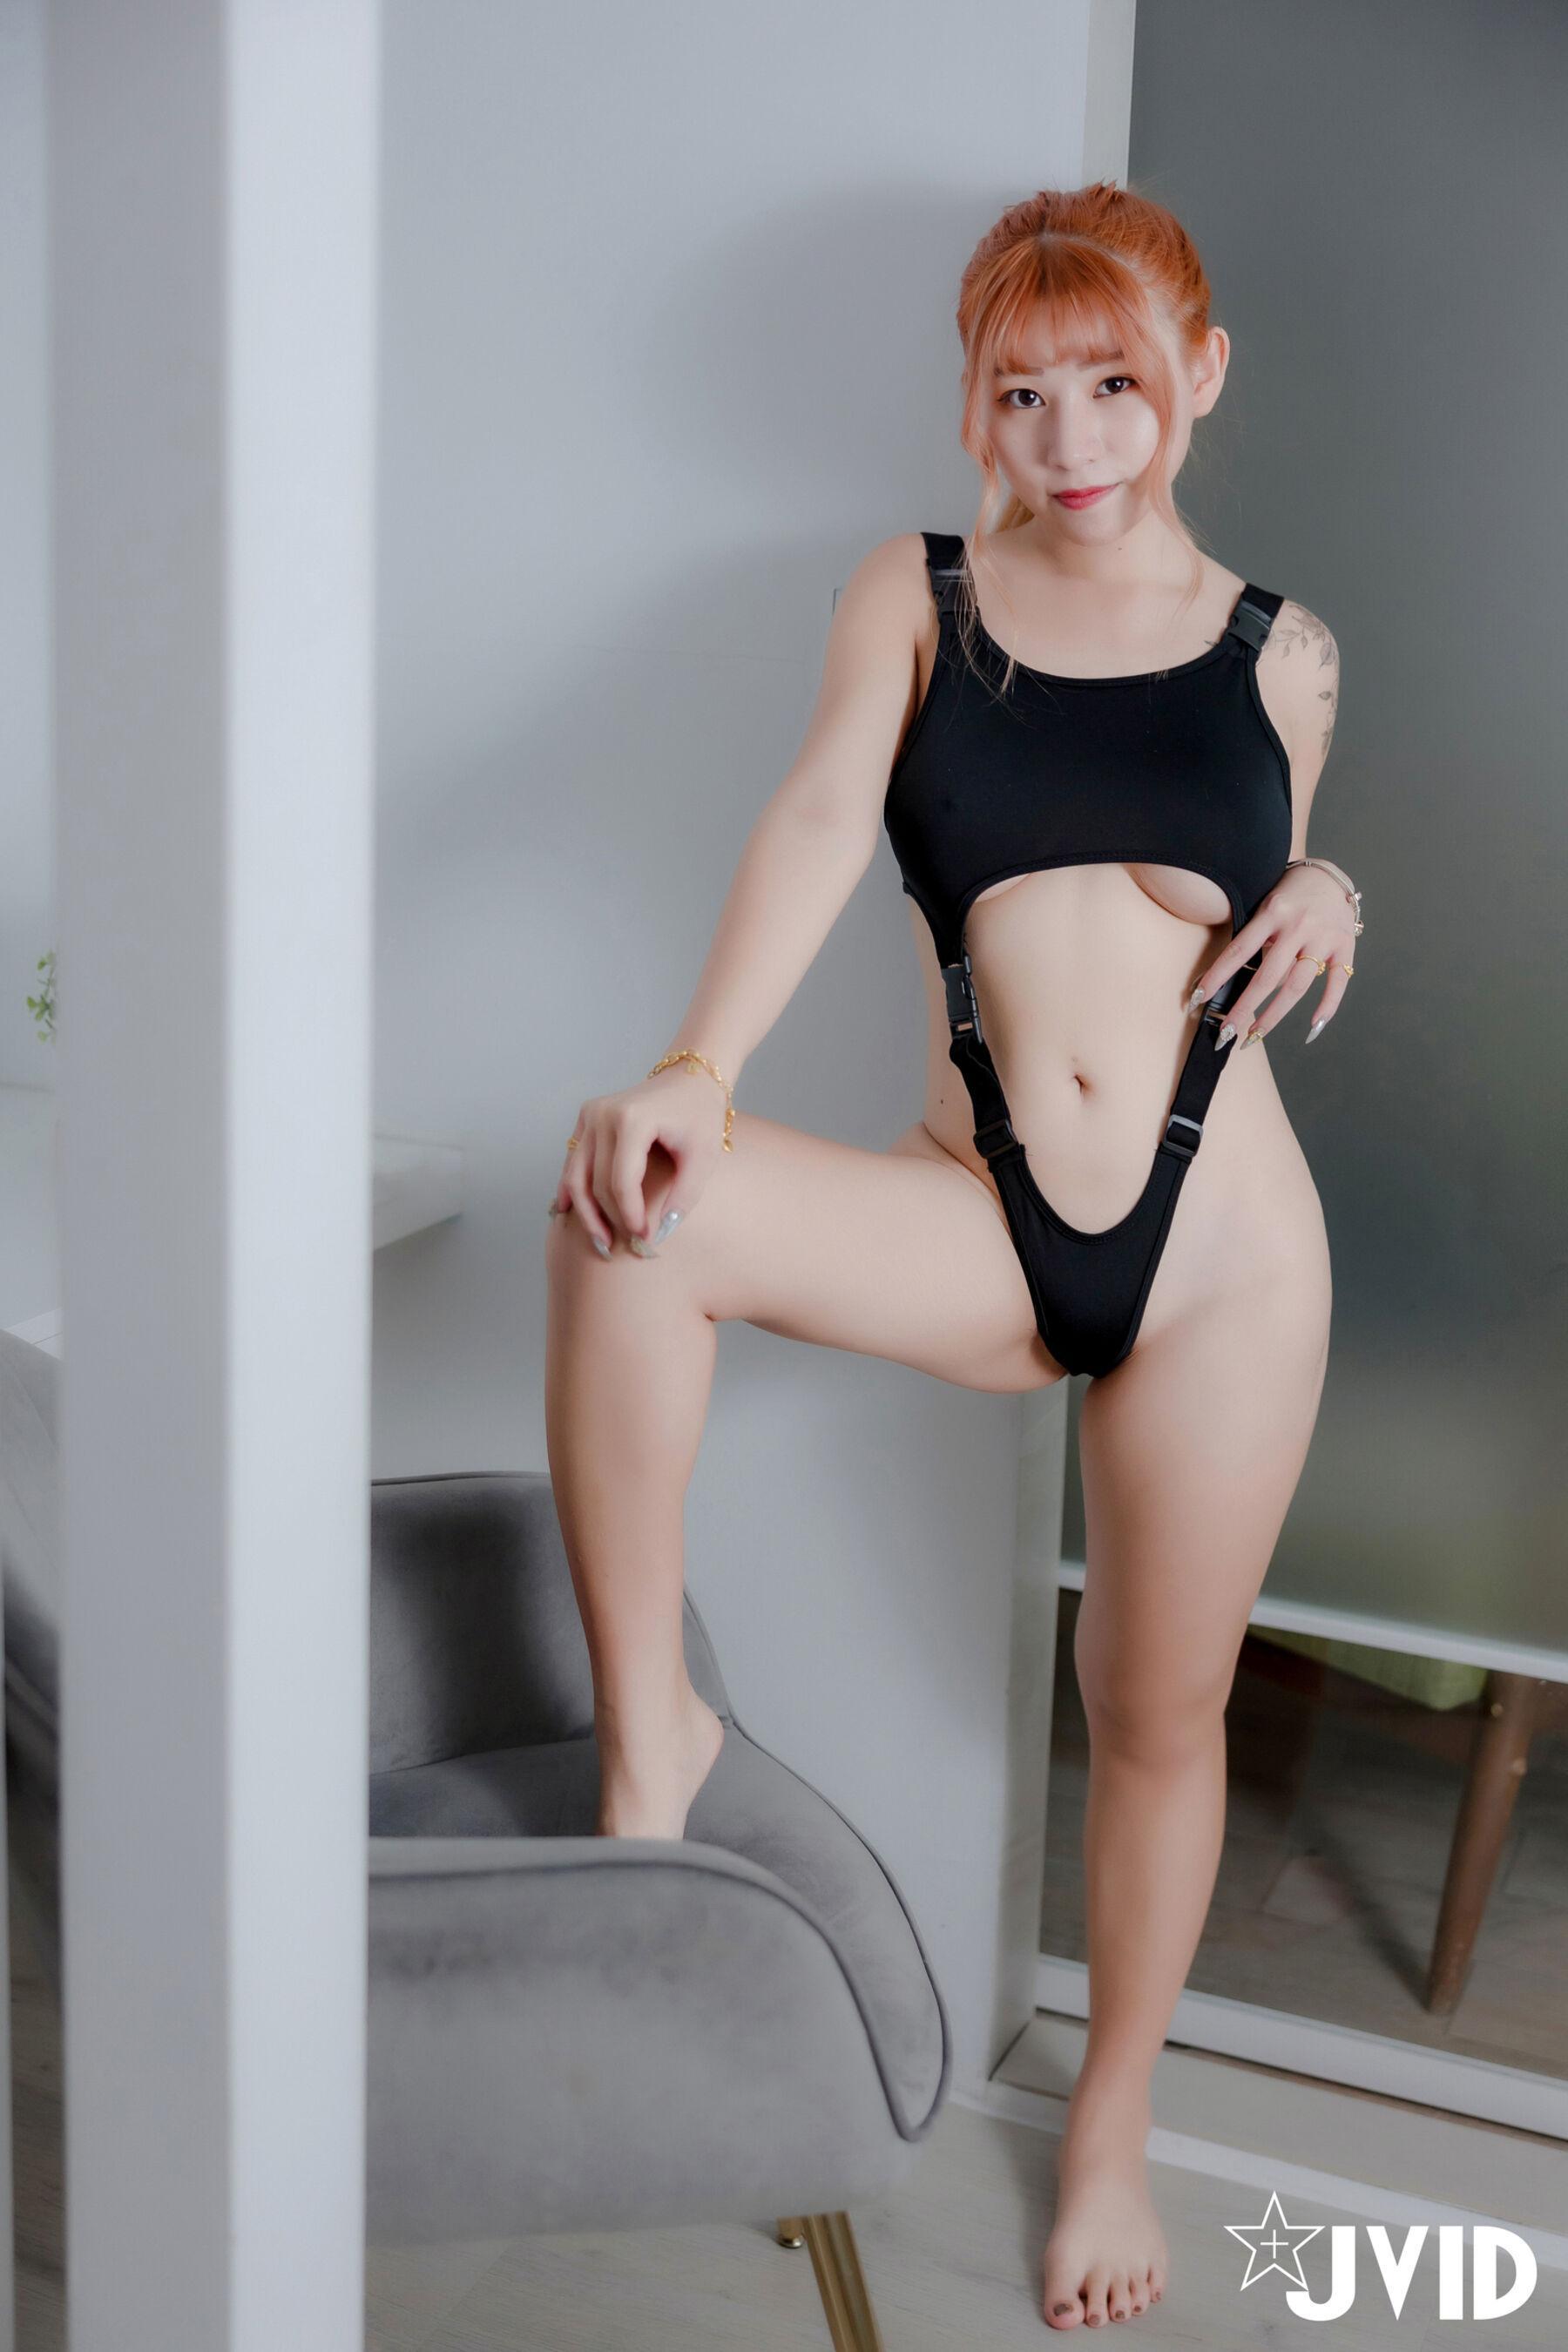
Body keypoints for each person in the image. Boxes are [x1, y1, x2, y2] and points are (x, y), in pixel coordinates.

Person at [544, 180, 1359, 2332]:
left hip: (1225, 1249)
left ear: (1199, 376)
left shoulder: (1287, 652)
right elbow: (828, 814)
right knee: (628, 1211)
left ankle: (1110, 2134)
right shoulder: (915, 597)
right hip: (980, 1207)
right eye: (1020, 391)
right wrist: (697, 1067)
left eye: (1114, 383)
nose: (1070, 435)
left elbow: (1258, 888)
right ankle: (654, 1749)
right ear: (975, 406)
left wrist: (1335, 882)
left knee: (1152, 1710)